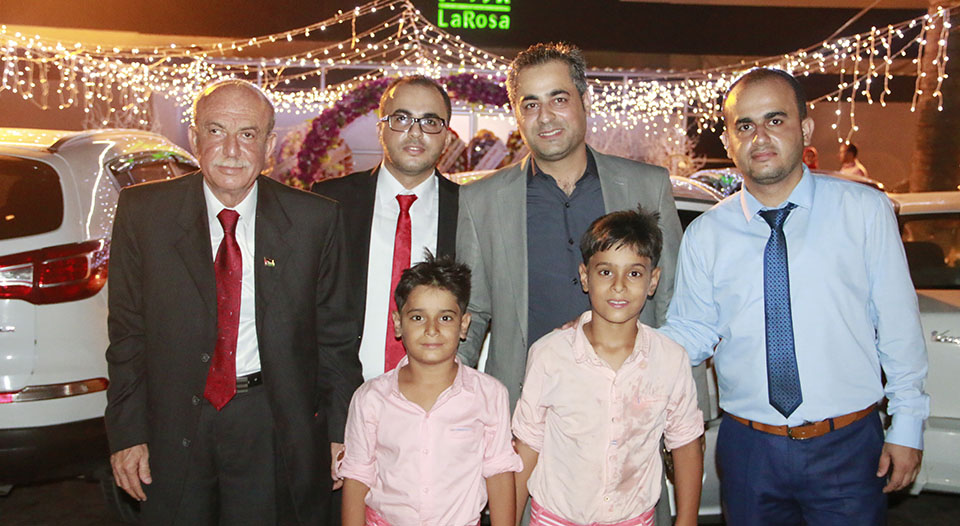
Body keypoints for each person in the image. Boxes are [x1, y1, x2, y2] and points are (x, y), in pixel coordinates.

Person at [661, 68, 928, 525]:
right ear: (728, 141)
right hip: (749, 450)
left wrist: (907, 424)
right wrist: (617, 345)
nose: (759, 137)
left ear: (805, 129)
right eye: (745, 125)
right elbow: (693, 330)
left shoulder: (863, 211)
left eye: (775, 120)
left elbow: (898, 326)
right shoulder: (707, 234)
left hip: (848, 446)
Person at [105, 79, 363, 525]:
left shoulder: (315, 220)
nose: (231, 150)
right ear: (194, 139)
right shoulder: (143, 214)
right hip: (172, 421)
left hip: (269, 424)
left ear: (269, 145)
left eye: (247, 134)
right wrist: (127, 432)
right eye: (216, 131)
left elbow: (335, 338)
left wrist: (339, 432)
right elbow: (127, 334)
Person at [456, 41, 682, 412]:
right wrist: (446, 400)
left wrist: (688, 412)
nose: (545, 117)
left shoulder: (647, 186)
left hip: (631, 410)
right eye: (531, 104)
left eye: (558, 99)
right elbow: (473, 313)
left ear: (585, 101)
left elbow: (673, 300)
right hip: (527, 412)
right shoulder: (481, 201)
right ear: (516, 114)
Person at [513, 207, 704, 526]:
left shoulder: (670, 359)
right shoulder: (550, 354)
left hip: (634, 519)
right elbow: (527, 445)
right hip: (555, 518)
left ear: (653, 281)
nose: (618, 286)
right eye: (605, 272)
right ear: (584, 276)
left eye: (634, 273)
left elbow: (685, 442)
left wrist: (687, 521)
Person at [340, 253, 522, 526]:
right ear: (398, 323)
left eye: (445, 318)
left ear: (464, 325)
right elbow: (356, 478)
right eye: (418, 317)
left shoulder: (489, 395)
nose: (432, 329)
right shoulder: (370, 398)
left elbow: (499, 473)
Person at [312, 75, 459, 383]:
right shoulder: (331, 202)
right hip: (342, 392)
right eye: (401, 119)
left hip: (437, 396)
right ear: (380, 128)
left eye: (430, 122)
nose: (415, 132)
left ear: (447, 137)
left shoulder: (467, 208)